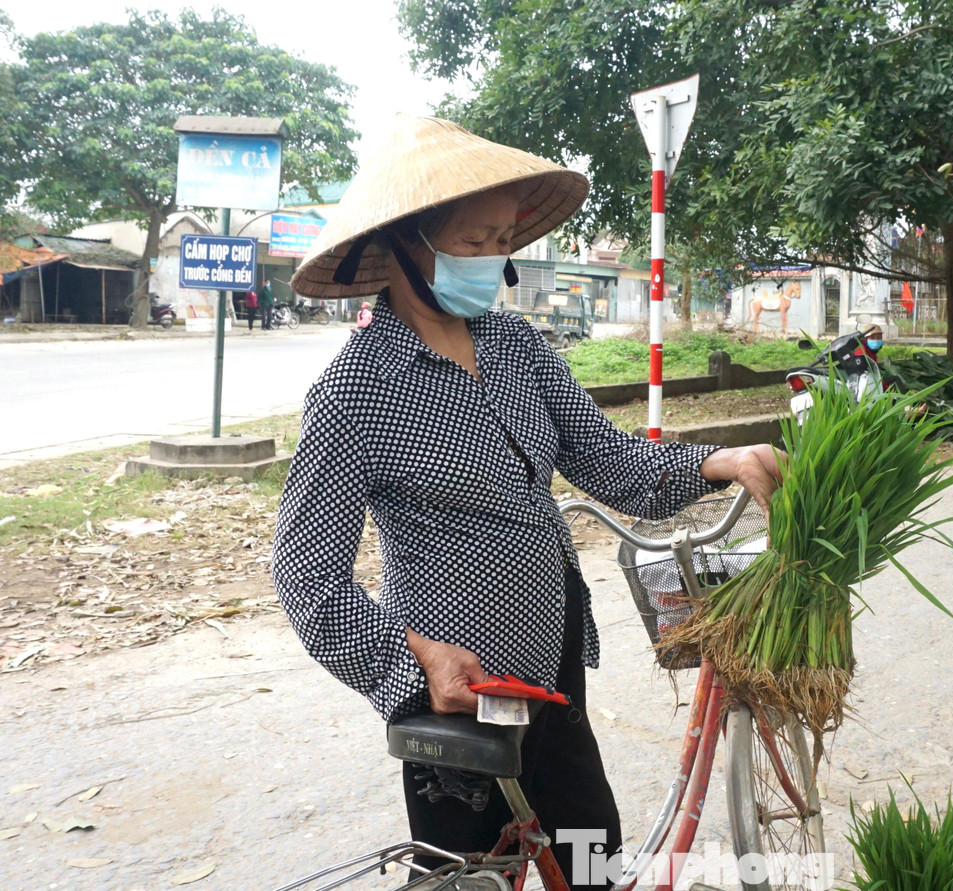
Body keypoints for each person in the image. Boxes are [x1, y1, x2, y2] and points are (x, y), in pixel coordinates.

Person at [272, 115, 782, 889]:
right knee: (470, 874)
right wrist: (413, 659)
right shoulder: (355, 394)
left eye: (500, 240)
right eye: (472, 241)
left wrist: (719, 459)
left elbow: (607, 460)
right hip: (459, 698)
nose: (492, 258)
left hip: (551, 670)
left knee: (587, 854)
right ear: (408, 246)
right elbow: (309, 575)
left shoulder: (517, 348)